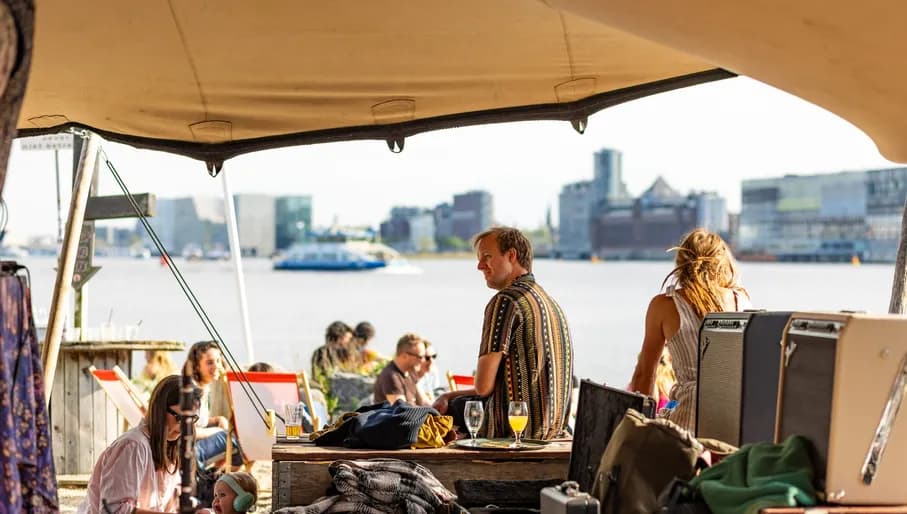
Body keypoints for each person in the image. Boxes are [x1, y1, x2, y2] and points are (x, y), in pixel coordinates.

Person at [432, 227, 574, 440]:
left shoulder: (506, 301)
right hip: (552, 430)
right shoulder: (549, 302)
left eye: (487, 257)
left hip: (516, 433)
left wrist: (447, 398)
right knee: (453, 402)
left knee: (436, 415)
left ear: (511, 255)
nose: (480, 266)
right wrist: (448, 393)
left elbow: (483, 386)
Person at [628, 228, 751, 431]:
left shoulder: (664, 305)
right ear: (723, 263)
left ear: (681, 263)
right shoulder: (742, 301)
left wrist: (640, 428)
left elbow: (644, 375)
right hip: (736, 419)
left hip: (687, 423)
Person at [79, 375, 202, 513]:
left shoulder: (172, 448)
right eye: (180, 418)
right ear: (160, 410)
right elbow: (113, 509)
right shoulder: (133, 446)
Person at [185, 341, 243, 470]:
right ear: (196, 366)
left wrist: (217, 420)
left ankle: (214, 476)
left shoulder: (201, 387)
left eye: (218, 360)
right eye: (210, 362)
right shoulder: (193, 392)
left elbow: (198, 422)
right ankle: (217, 479)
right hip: (188, 453)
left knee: (228, 434)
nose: (217, 366)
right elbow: (189, 431)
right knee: (231, 440)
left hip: (192, 447)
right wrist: (219, 431)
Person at [373, 333, 431, 406]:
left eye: (424, 356)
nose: (423, 360)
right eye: (420, 357)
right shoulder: (391, 376)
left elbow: (424, 402)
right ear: (404, 356)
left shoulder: (411, 371)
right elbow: (402, 411)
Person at [310, 321, 360, 387]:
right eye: (348, 338)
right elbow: (323, 375)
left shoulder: (327, 351)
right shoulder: (323, 352)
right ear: (341, 337)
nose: (349, 341)